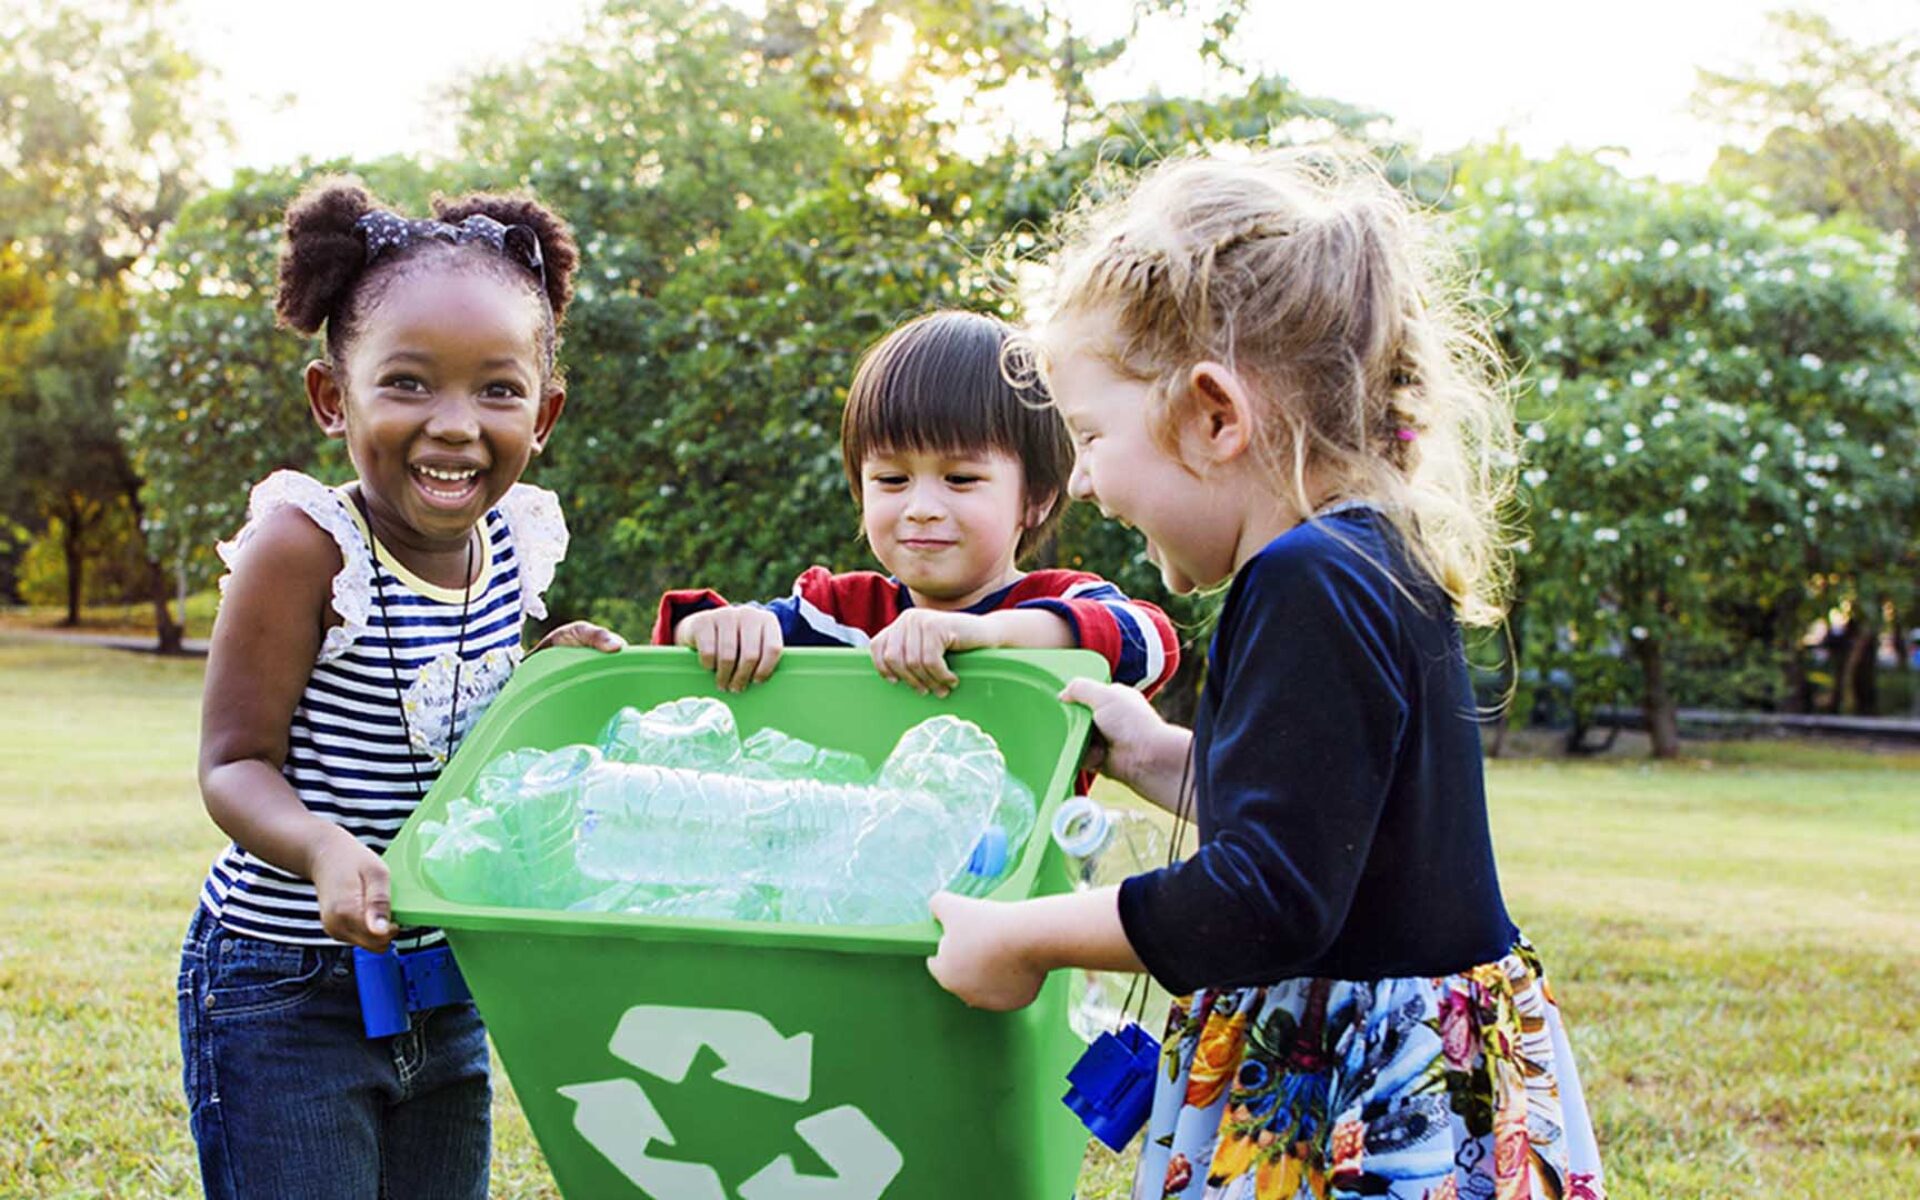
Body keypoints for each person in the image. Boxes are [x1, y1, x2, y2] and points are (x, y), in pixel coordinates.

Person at [926, 150, 1607, 1199]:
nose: (1092, 482)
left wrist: (1026, 939)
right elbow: (1328, 821)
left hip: (1364, 1093)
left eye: (1094, 436)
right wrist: (1157, 756)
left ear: (1213, 416)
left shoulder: (1305, 579)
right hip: (1422, 1064)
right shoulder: (1369, 553)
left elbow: (1269, 899)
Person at [178, 178, 621, 1200]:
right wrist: (325, 849)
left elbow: (458, 728)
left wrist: (543, 678)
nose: (455, 426)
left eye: (497, 391)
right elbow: (231, 762)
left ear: (544, 412)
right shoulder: (304, 547)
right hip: (285, 988)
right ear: (335, 398)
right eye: (410, 384)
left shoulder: (515, 542)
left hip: (443, 980)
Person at [651, 309, 1179, 703]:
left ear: (1037, 497)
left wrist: (986, 634)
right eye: (892, 479)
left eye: (960, 478)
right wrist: (715, 629)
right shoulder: (839, 617)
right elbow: (685, 639)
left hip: (1025, 854)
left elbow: (1152, 643)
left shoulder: (1057, 601)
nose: (921, 507)